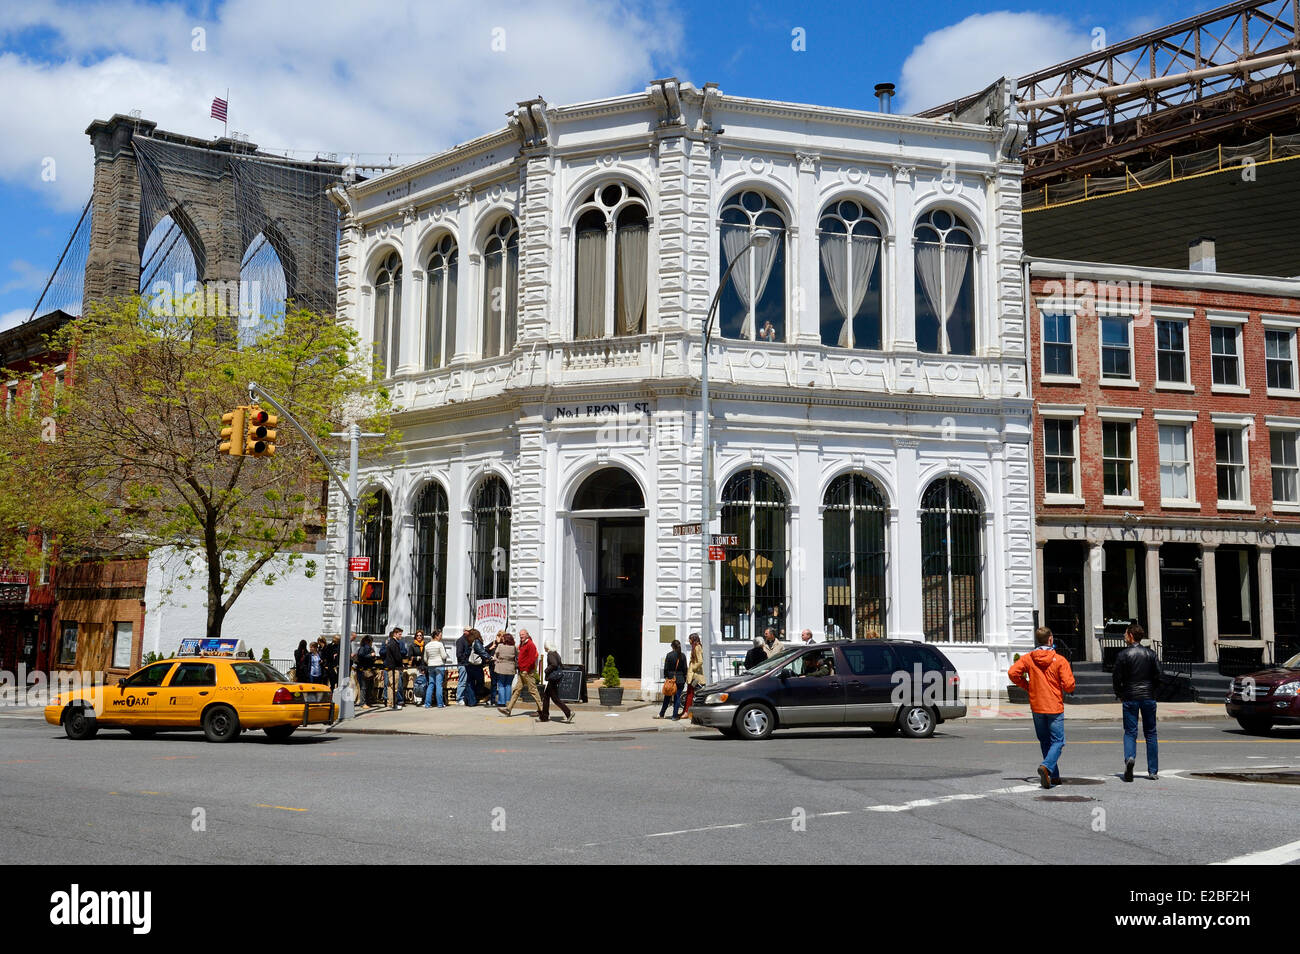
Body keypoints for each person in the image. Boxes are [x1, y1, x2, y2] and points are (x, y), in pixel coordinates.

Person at [1008, 626, 1076, 789]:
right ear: (1050, 640)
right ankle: (1046, 767)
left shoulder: (1029, 658)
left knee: (1045, 741)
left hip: (1037, 704)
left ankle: (1054, 775)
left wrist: (1028, 686)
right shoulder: (1059, 660)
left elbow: (1012, 673)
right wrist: (1065, 686)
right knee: (1058, 741)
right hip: (1054, 705)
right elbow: (1069, 685)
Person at [1113, 622, 1161, 781]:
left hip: (1130, 696)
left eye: (1126, 634)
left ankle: (1129, 758)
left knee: (1130, 732)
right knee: (1151, 733)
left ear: (1131, 636)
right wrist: (1153, 692)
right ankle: (1153, 770)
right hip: (1148, 696)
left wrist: (1119, 693)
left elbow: (1116, 677)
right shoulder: (1151, 654)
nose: (1124, 636)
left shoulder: (1123, 655)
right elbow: (1158, 675)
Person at [499, 630, 544, 717]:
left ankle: (542, 710)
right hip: (522, 671)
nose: (521, 636)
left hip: (527, 672)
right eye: (520, 635)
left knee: (533, 690)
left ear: (527, 635)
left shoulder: (530, 644)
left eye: (523, 634)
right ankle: (508, 709)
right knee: (517, 690)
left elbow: (532, 659)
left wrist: (526, 669)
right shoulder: (522, 644)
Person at [540, 642, 574, 723]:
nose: (544, 648)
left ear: (547, 647)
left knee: (555, 699)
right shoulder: (556, 653)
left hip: (553, 678)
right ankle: (544, 717)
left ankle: (569, 712)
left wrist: (546, 670)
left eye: (545, 647)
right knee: (546, 697)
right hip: (555, 678)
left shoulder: (550, 654)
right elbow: (560, 665)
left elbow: (554, 664)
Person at [657, 639, 688, 720]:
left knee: (667, 697)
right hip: (680, 679)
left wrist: (666, 677)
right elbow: (685, 668)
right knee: (677, 698)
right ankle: (674, 716)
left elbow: (666, 668)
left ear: (672, 646)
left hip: (671, 679)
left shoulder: (669, 655)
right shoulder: (683, 656)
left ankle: (661, 714)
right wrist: (684, 677)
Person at [680, 633, 705, 720]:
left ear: (693, 639)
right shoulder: (695, 647)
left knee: (690, 694)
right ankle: (686, 711)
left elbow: (700, 661)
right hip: (693, 674)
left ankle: (687, 712)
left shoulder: (697, 647)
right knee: (689, 694)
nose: (689, 640)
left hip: (695, 675)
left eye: (690, 639)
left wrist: (692, 668)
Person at [423, 628, 449, 708]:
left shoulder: (427, 645)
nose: (441, 637)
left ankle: (427, 704)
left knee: (431, 684)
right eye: (440, 635)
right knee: (439, 685)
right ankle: (440, 704)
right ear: (436, 636)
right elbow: (444, 656)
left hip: (430, 665)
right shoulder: (440, 644)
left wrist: (429, 663)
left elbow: (425, 658)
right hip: (439, 665)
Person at [382, 627, 407, 710]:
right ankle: (392, 704)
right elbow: (397, 656)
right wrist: (401, 664)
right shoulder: (394, 643)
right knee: (393, 687)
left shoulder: (391, 642)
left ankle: (391, 703)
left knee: (391, 686)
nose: (401, 636)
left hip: (392, 667)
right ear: (395, 634)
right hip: (393, 668)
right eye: (399, 634)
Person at [492, 633, 517, 707]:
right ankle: (508, 702)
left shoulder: (500, 646)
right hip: (511, 668)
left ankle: (501, 702)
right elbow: (517, 656)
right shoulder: (514, 647)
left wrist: (496, 660)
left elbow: (496, 655)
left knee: (501, 685)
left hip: (501, 667)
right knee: (508, 685)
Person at [468, 630, 492, 706]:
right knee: (480, 682)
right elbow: (482, 652)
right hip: (476, 666)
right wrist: (490, 657)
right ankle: (474, 699)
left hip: (470, 665)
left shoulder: (471, 642)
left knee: (470, 683)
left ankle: (471, 701)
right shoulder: (477, 642)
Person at [354, 634, 378, 707]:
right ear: (369, 641)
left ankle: (366, 702)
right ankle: (363, 703)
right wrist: (371, 656)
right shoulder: (364, 648)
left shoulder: (365, 647)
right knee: (364, 687)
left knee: (368, 687)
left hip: (366, 670)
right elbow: (361, 656)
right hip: (364, 670)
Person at [454, 629, 472, 706]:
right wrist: (465, 660)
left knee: (465, 681)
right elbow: (459, 654)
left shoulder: (468, 640)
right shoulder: (461, 640)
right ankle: (459, 698)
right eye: (468, 631)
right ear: (465, 631)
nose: (470, 632)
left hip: (466, 664)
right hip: (463, 664)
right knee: (462, 681)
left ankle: (463, 697)